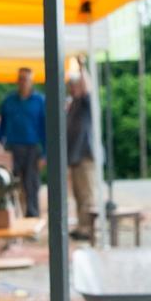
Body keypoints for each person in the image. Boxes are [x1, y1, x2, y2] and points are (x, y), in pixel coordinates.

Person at [0, 66, 46, 217]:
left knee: (31, 183)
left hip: (32, 147)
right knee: (10, 183)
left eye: (26, 79)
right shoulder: (9, 101)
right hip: (12, 147)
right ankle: (12, 215)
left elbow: (45, 127)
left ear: (31, 81)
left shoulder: (40, 101)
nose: (23, 82)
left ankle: (32, 214)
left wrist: (45, 154)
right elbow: (2, 125)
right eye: (20, 79)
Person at [66, 55, 96, 240]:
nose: (71, 88)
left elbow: (88, 88)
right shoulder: (74, 104)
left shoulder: (86, 101)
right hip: (75, 157)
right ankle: (81, 225)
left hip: (85, 155)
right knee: (78, 194)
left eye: (74, 85)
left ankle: (88, 228)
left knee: (86, 194)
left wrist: (82, 66)